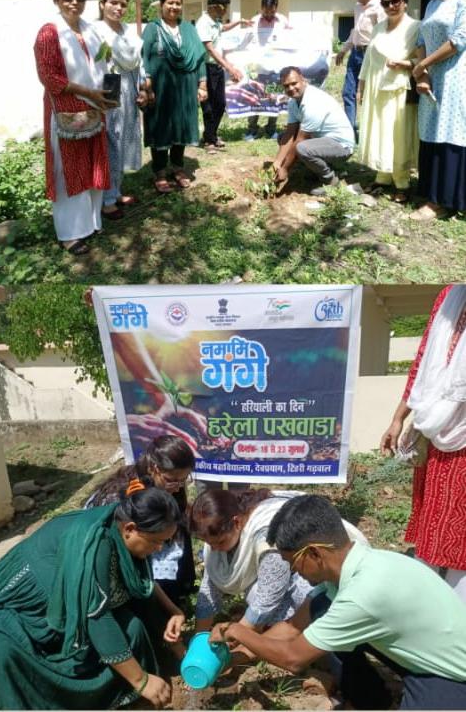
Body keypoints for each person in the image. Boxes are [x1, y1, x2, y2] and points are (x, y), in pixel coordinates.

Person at [211, 494, 466, 710]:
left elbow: (293, 658)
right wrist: (235, 655)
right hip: (422, 654)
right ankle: (371, 699)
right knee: (321, 606)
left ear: (314, 553)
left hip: (452, 675)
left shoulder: (363, 595)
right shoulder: (364, 564)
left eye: (293, 564)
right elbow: (291, 628)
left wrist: (238, 630)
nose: (294, 572)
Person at [0, 481, 183, 710]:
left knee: (133, 629)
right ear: (130, 529)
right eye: (157, 542)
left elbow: (143, 582)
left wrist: (174, 611)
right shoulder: (94, 544)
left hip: (75, 608)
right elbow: (96, 616)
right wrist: (142, 680)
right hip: (27, 614)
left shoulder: (119, 528)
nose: (160, 549)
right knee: (1, 655)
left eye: (164, 541)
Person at [379, 284, 466, 602]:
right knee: (433, 523)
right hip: (438, 433)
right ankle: (422, 612)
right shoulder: (449, 297)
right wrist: (398, 417)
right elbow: (423, 361)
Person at [191, 489, 366, 634]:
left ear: (236, 523)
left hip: (329, 577)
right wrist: (199, 637)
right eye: (209, 544)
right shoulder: (219, 538)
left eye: (220, 542)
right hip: (303, 574)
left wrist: (239, 636)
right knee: (256, 596)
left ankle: (313, 640)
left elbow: (269, 594)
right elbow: (210, 585)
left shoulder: (264, 531)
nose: (214, 549)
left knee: (301, 595)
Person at [34, 0, 116, 256]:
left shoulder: (90, 30)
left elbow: (104, 64)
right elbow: (49, 77)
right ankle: (70, 233)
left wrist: (103, 95)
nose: (74, 2)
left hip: (93, 108)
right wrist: (87, 92)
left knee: (92, 165)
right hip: (66, 109)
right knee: (69, 170)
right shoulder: (49, 32)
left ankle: (91, 223)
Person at [86, 436, 196, 607]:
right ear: (154, 468)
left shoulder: (171, 488)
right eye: (172, 480)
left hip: (144, 541)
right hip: (124, 548)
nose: (178, 487)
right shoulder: (122, 496)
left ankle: (177, 592)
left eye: (184, 480)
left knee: (179, 528)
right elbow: (118, 541)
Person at [409, 0, 466, 222]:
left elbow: (458, 41)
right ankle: (430, 194)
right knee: (430, 132)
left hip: (454, 77)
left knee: (450, 132)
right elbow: (420, 40)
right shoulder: (432, 2)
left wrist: (423, 65)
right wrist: (422, 74)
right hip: (430, 79)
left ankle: (442, 202)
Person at [355, 0, 420, 202]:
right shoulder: (378, 27)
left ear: (405, 2)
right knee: (379, 131)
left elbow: (423, 59)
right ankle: (382, 176)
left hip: (398, 88)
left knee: (397, 133)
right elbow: (368, 59)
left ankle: (402, 181)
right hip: (375, 85)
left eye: (395, 1)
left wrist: (405, 63)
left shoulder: (415, 27)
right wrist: (361, 86)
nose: (391, 6)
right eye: (386, 2)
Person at [142, 0, 207, 192]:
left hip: (185, 87)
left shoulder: (188, 28)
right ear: (161, 5)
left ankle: (178, 168)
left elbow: (199, 57)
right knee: (161, 126)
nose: (174, 7)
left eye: (178, 3)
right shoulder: (153, 29)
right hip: (160, 88)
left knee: (182, 125)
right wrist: (147, 87)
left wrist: (203, 84)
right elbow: (144, 59)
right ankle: (160, 172)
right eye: (170, 3)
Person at [93, 0, 146, 220]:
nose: (118, 8)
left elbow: (138, 62)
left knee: (125, 138)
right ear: (102, 4)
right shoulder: (95, 30)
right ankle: (106, 200)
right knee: (111, 142)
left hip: (130, 87)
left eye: (123, 4)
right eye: (113, 2)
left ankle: (116, 191)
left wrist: (143, 88)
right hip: (110, 86)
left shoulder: (128, 32)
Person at [271, 66, 355, 194]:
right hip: (322, 140)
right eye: (286, 86)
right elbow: (290, 134)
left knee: (303, 148)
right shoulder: (293, 102)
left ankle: (331, 181)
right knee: (282, 137)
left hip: (341, 146)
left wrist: (285, 168)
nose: (291, 88)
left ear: (303, 80)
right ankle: (316, 169)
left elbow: (300, 139)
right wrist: (277, 162)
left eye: (294, 83)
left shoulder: (313, 101)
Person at [195, 0, 246, 152]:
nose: (225, 11)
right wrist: (230, 68)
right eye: (224, 8)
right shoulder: (203, 23)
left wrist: (239, 22)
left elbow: (222, 28)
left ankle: (210, 135)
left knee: (221, 103)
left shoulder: (214, 21)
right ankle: (209, 141)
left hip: (216, 69)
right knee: (208, 106)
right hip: (206, 70)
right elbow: (210, 50)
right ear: (215, 6)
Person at [334, 0, 385, 137]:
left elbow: (383, 35)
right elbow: (355, 31)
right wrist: (344, 50)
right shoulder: (358, 7)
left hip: (371, 55)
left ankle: (371, 133)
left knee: (369, 94)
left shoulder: (380, 8)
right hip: (355, 53)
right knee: (348, 92)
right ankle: (349, 130)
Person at [244, 0, 290, 140]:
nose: (269, 14)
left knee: (274, 97)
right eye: (266, 11)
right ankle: (252, 130)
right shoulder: (254, 21)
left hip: (276, 68)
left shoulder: (283, 21)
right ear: (261, 8)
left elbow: (291, 40)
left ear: (276, 8)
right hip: (258, 69)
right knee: (255, 98)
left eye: (272, 11)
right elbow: (247, 42)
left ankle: (271, 129)